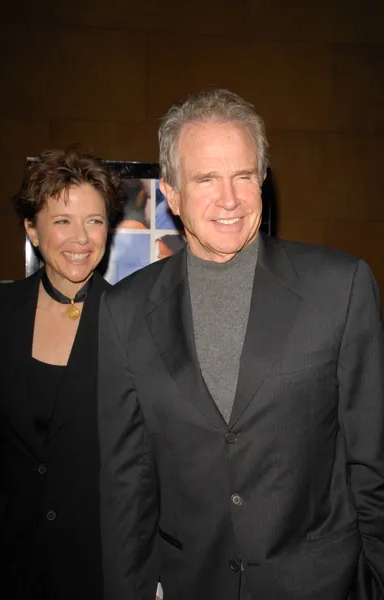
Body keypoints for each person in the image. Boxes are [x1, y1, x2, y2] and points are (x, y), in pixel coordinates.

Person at [98, 89, 384, 600]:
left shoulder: (340, 287)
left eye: (244, 176)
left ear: (262, 179)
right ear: (172, 193)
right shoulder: (124, 311)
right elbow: (126, 486)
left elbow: (373, 461)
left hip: (323, 584)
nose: (229, 199)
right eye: (206, 179)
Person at [0, 148, 122, 599]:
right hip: (5, 559)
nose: (81, 238)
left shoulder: (136, 322)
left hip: (96, 564)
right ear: (32, 230)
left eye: (95, 221)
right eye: (62, 221)